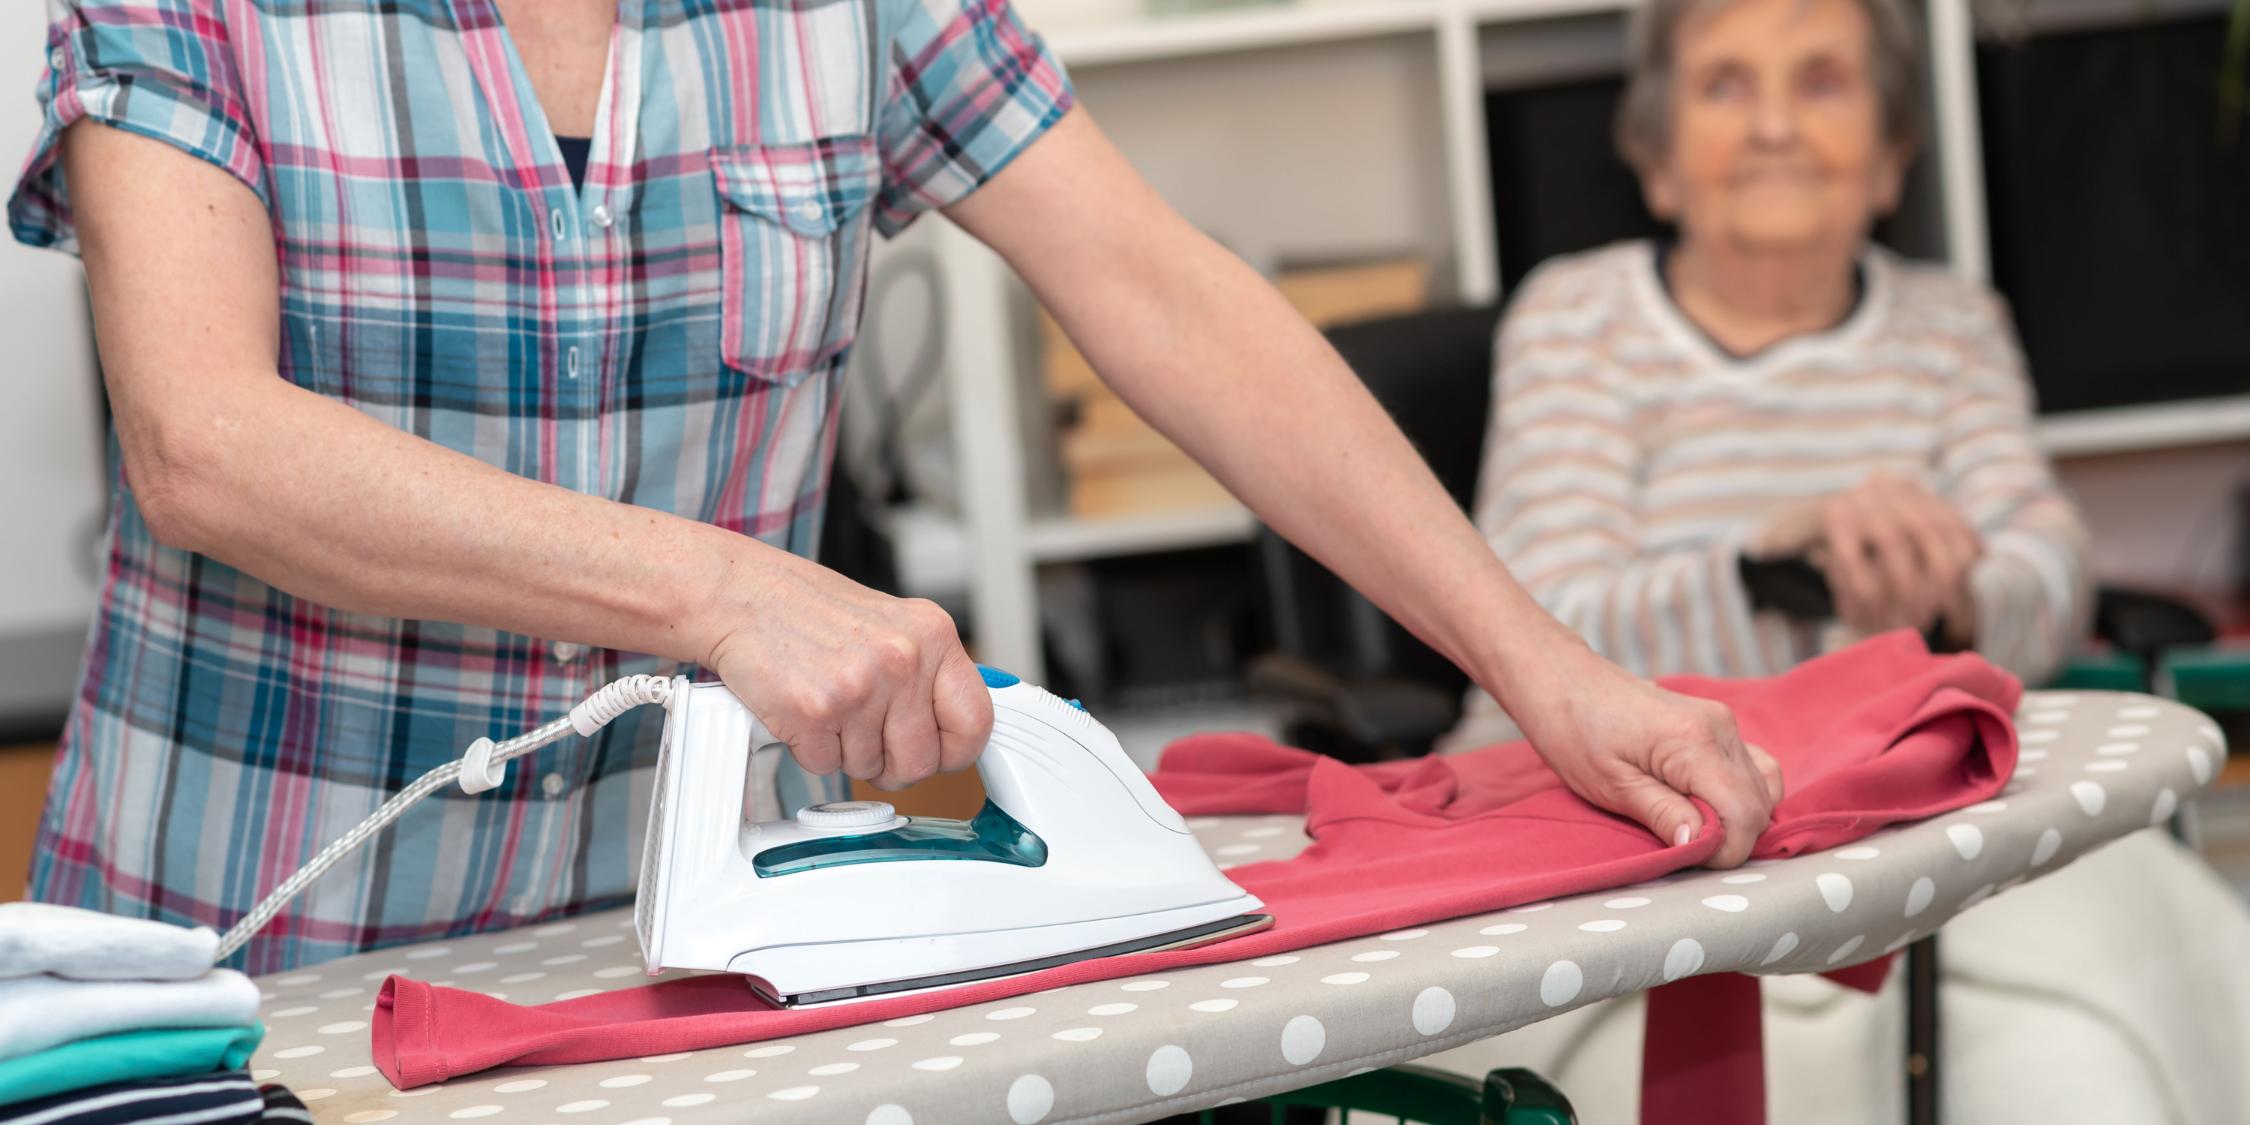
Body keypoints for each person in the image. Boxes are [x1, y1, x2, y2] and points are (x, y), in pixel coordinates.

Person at [15, 0, 1779, 971]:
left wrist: (1540, 666)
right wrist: (721, 592)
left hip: (664, 965)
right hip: (241, 951)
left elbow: (1165, 297)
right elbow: (205, 446)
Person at [1448, 0, 2089, 753]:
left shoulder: (1954, 327)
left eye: (1821, 84)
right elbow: (1536, 640)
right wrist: (1769, 571)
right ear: (1658, 160)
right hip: (1589, 808)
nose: (1774, 128)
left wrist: (1947, 604)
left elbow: (2055, 579)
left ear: (1890, 156)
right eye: (1725, 86)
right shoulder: (1575, 319)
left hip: (1864, 801)